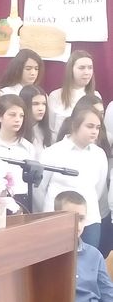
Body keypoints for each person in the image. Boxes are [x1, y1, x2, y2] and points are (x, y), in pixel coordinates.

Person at [34, 106, 108, 248]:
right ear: (75, 125)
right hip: (56, 220)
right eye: (90, 126)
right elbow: (39, 189)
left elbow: (98, 189)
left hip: (89, 221)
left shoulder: (99, 154)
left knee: (87, 259)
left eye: (98, 127)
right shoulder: (53, 152)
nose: (94, 131)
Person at [0, 94, 35, 206]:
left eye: (21, 116)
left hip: (23, 202)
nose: (18, 120)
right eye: (12, 115)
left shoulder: (28, 148)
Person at [47, 50, 100, 138]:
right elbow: (50, 130)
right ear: (71, 70)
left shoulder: (96, 96)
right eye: (81, 68)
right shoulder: (55, 96)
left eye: (90, 68)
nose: (87, 72)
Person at [19, 85, 52, 158]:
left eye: (44, 104)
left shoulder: (44, 131)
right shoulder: (17, 130)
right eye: (35, 104)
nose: (41, 108)